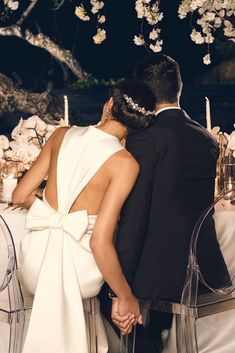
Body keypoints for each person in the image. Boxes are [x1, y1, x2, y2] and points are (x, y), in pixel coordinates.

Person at [12, 79, 156, 353]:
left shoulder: (61, 134)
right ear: (140, 123)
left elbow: (19, 196)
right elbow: (99, 243)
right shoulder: (125, 164)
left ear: (110, 104)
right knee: (118, 293)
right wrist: (126, 299)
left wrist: (52, 215)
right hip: (81, 272)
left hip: (33, 264)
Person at [108, 54, 229, 352]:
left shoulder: (145, 139)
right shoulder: (206, 138)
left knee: (96, 285)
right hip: (204, 269)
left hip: (161, 274)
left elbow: (135, 219)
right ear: (180, 87)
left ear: (144, 93)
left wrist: (117, 290)